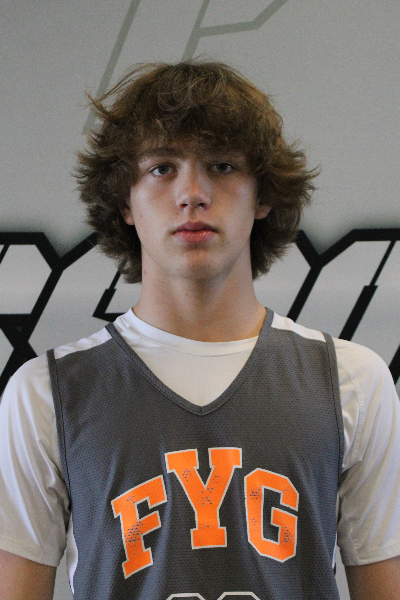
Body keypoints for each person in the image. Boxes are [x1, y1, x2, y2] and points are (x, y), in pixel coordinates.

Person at [0, 61, 399, 600]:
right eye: (162, 168)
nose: (192, 192)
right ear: (124, 200)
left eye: (222, 165)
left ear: (262, 196)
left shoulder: (351, 382)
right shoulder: (45, 394)